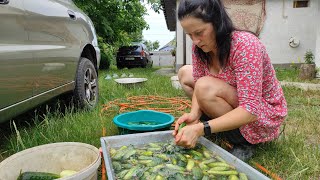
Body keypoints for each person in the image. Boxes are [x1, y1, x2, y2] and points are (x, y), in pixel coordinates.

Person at [172, 0, 288, 161]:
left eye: (199, 32)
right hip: (232, 97)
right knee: (185, 73)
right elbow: (198, 82)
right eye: (190, 35)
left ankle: (243, 141)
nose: (195, 41)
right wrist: (194, 115)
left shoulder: (245, 45)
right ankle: (216, 122)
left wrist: (202, 129)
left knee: (205, 87)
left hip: (262, 113)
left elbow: (251, 110)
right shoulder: (198, 48)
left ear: (217, 22)